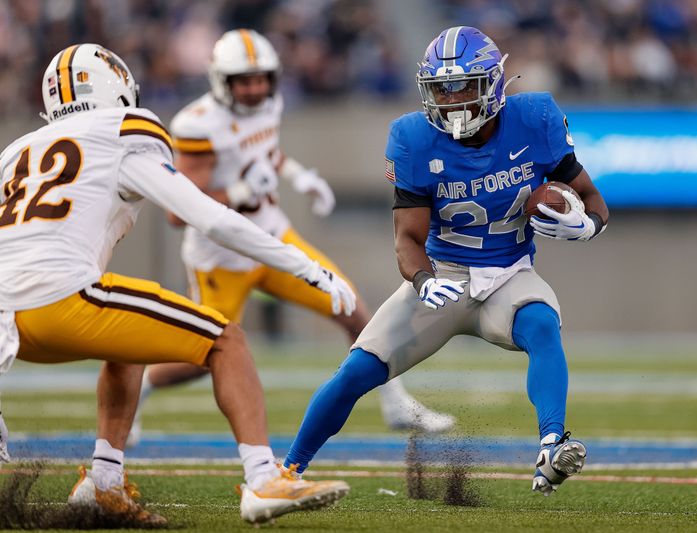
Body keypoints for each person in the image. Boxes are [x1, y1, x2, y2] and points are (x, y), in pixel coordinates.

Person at [0, 43, 354, 525]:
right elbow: (210, 219)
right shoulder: (121, 130)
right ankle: (264, 478)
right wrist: (302, 263)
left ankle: (102, 482)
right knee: (226, 339)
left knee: (127, 340)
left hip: (8, 323)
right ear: (118, 85)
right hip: (61, 300)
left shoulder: (16, 151)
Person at [282, 26, 609, 496]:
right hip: (443, 279)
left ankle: (553, 444)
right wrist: (423, 279)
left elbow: (593, 199)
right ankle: (286, 471)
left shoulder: (535, 117)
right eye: (441, 89)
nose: (452, 101)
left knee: (541, 323)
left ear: (494, 85)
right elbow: (407, 239)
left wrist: (587, 226)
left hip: (509, 276)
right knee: (356, 372)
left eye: (464, 86)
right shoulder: (413, 138)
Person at [128, 28, 455, 445]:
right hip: (222, 257)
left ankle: (395, 402)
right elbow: (178, 212)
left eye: (262, 79)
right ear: (221, 81)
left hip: (273, 238)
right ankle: (141, 387)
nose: (255, 89)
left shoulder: (269, 104)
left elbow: (264, 150)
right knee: (205, 356)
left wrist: (298, 175)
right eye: (244, 81)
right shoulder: (199, 125)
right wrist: (240, 193)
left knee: (351, 307)